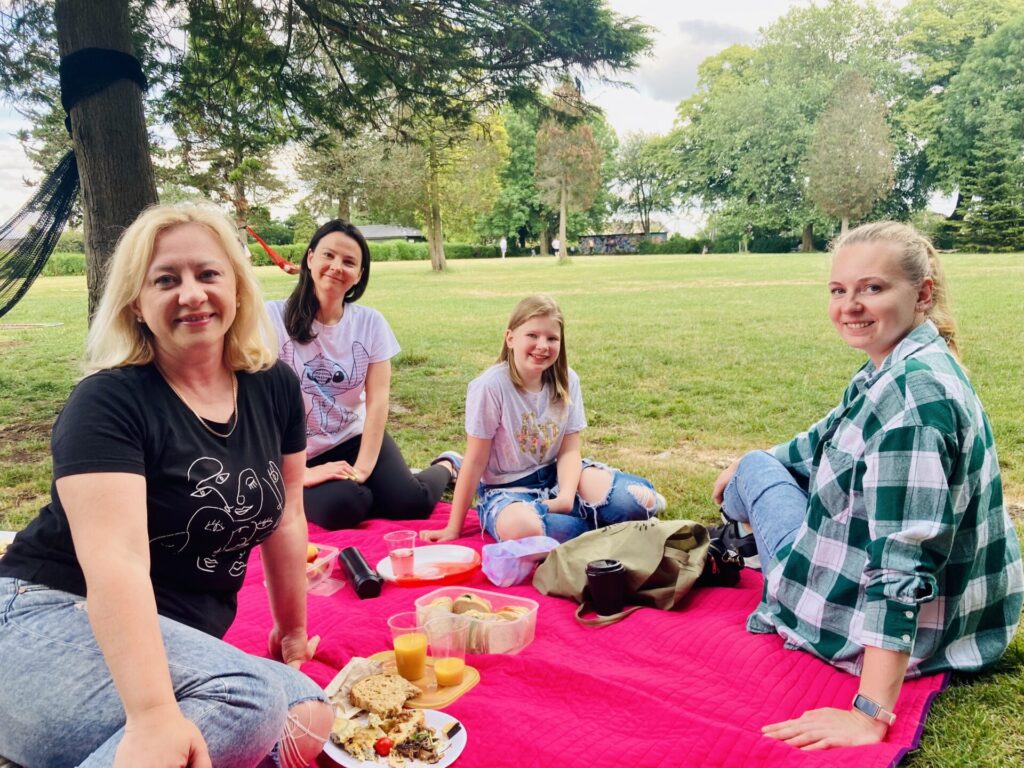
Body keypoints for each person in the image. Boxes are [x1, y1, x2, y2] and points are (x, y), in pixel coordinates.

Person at [0, 205, 333, 767]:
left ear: (236, 284)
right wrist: (152, 715)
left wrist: (293, 630)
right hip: (45, 613)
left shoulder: (272, 384)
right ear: (136, 302)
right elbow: (117, 563)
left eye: (207, 274)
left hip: (174, 638)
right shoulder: (107, 403)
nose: (191, 294)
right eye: (165, 280)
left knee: (307, 711)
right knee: (246, 699)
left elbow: (287, 514)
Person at [709, 221, 1023, 750]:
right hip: (961, 615)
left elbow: (902, 566)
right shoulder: (898, 364)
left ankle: (742, 532)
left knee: (751, 469)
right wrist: (757, 465)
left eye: (872, 288)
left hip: (860, 617)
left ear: (922, 293)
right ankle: (742, 511)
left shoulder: (912, 403)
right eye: (840, 290)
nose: (850, 305)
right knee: (755, 466)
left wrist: (870, 713)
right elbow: (820, 442)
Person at [423, 294, 665, 544]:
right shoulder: (490, 387)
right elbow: (474, 461)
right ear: (510, 338)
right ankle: (600, 526)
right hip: (508, 491)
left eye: (552, 338)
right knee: (522, 528)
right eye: (533, 336)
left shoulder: (567, 380)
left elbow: (570, 450)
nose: (543, 345)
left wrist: (566, 497)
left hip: (559, 476)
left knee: (636, 502)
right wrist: (454, 527)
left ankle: (608, 517)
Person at [267, 219, 458, 531]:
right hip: (299, 452)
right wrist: (301, 473)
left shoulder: (370, 323)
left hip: (353, 438)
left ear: (359, 275)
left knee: (411, 503)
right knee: (345, 506)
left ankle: (447, 465)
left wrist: (364, 469)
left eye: (349, 262)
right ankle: (373, 489)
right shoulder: (271, 319)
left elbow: (379, 402)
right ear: (310, 258)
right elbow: (254, 407)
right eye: (328, 255)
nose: (336, 267)